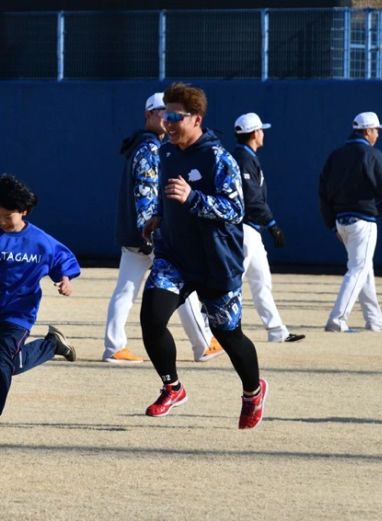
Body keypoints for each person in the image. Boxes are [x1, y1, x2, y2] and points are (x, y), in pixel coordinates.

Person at [140, 83, 268, 430]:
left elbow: (235, 209)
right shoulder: (166, 151)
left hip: (216, 262)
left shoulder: (218, 158)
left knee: (229, 335)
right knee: (151, 320)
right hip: (174, 258)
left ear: (196, 119)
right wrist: (157, 216)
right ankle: (172, 387)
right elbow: (167, 195)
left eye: (175, 116)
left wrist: (193, 198)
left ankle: (253, 391)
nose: (167, 122)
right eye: (165, 114)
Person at [0, 174, 80, 443]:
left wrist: (64, 280)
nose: (1, 221)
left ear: (24, 211)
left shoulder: (41, 241)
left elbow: (62, 261)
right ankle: (52, 345)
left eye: (7, 216)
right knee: (11, 363)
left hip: (20, 313)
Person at [105, 92, 224, 364]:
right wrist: (152, 231)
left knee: (126, 290)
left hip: (133, 233)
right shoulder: (149, 147)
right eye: (160, 112)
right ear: (148, 115)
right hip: (149, 233)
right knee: (180, 286)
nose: (165, 117)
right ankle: (203, 343)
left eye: (169, 112)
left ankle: (113, 346)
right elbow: (145, 192)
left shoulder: (141, 145)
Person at [319, 112, 382, 333]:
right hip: (362, 222)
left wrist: (331, 224)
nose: (378, 134)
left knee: (364, 270)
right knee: (358, 269)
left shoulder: (335, 155)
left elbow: (322, 192)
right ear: (367, 131)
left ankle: (375, 321)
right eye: (376, 130)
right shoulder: (371, 154)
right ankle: (337, 319)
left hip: (342, 222)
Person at [232, 113, 304, 343]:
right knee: (231, 281)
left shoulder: (248, 156)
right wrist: (272, 224)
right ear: (254, 133)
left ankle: (276, 331)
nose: (263, 134)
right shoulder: (243, 158)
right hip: (243, 229)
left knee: (262, 280)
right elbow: (252, 198)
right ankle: (205, 324)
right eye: (261, 130)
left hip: (252, 229)